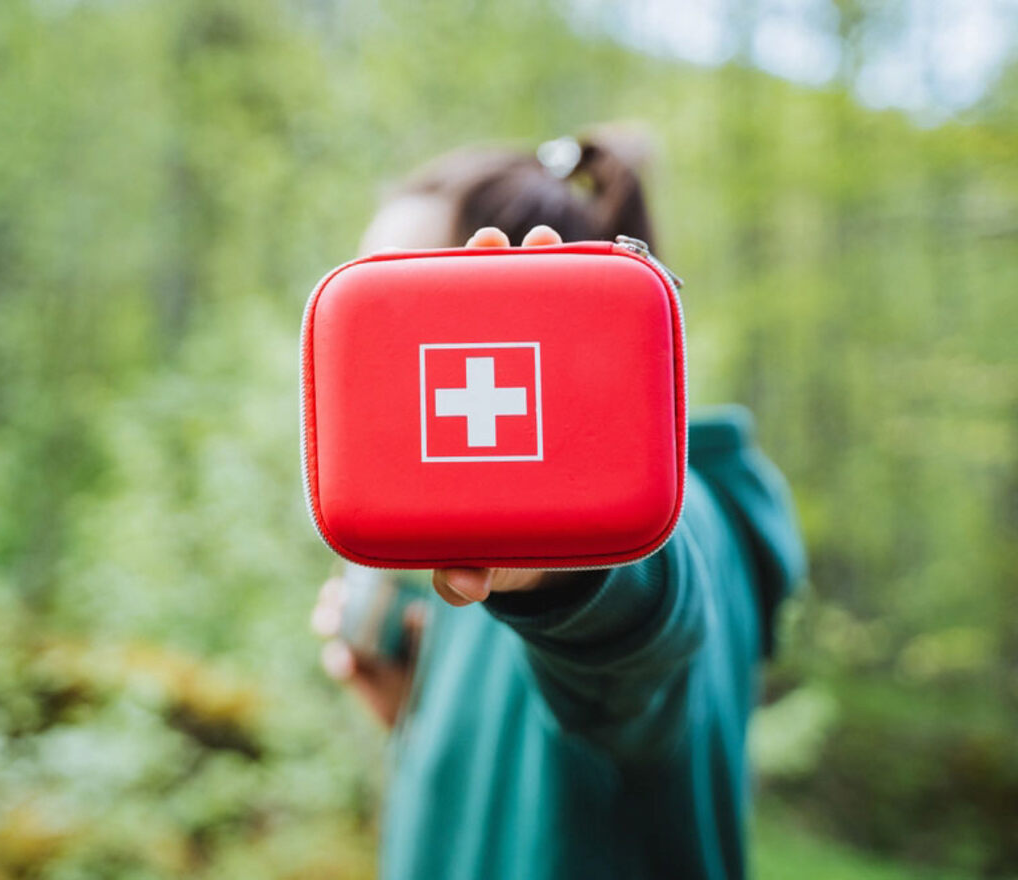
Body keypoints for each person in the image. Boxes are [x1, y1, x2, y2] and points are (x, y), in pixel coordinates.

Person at [311, 128, 807, 880]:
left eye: (396, 299)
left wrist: (575, 578)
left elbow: (640, 646)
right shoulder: (487, 532)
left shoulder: (660, 520)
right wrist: (419, 713)